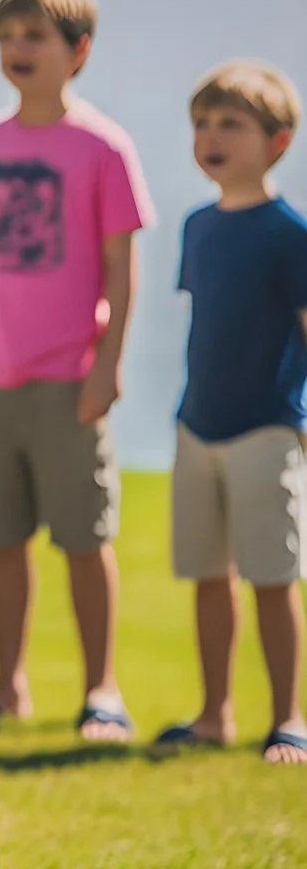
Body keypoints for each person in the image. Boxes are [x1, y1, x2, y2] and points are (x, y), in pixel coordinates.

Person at [0, 0, 153, 739]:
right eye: (8, 37)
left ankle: (102, 692)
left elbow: (122, 274)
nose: (18, 50)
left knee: (85, 541)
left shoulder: (104, 147)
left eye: (35, 37)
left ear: (78, 51)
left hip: (68, 379)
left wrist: (107, 365)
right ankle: (4, 687)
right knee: (0, 541)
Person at [152, 61, 307, 762]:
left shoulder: (289, 233)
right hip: (198, 426)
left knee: (272, 580)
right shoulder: (197, 226)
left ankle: (289, 720)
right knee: (208, 577)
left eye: (231, 125)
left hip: (267, 428)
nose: (211, 136)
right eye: (202, 124)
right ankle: (213, 715)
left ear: (277, 141)